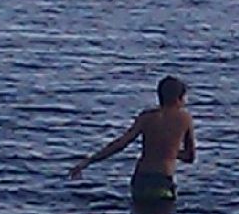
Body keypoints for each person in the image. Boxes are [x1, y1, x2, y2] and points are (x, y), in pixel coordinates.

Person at [68, 76, 196, 205]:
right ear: (178, 99)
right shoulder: (184, 118)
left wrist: (88, 161)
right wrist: (171, 152)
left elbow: (121, 143)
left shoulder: (146, 117)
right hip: (162, 180)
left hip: (141, 179)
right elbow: (190, 156)